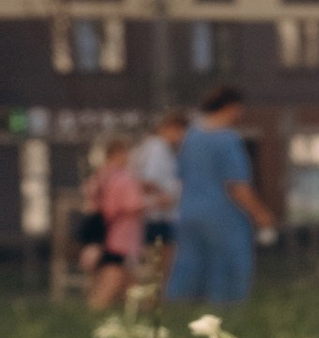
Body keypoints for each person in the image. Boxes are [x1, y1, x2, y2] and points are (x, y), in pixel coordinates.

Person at [166, 82, 272, 311]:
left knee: (189, 264)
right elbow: (237, 186)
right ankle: (225, 315)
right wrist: (261, 214)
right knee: (229, 266)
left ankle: (179, 313)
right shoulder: (227, 139)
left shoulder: (191, 137)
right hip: (222, 214)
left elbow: (181, 177)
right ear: (232, 108)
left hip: (189, 211)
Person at [87, 135, 148, 309]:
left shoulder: (99, 177)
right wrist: (158, 202)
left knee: (128, 280)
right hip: (122, 235)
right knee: (113, 275)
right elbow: (134, 205)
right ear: (119, 153)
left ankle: (146, 314)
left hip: (103, 233)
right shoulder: (124, 179)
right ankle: (95, 312)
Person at [132, 109, 184, 265]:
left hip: (161, 214)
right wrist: (165, 196)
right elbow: (146, 180)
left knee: (164, 262)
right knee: (161, 262)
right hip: (155, 214)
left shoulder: (161, 149)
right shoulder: (156, 148)